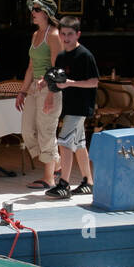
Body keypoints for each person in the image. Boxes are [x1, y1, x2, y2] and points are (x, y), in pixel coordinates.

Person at [43, 16, 99, 199]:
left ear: (78, 34)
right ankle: (88, 181)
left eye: (70, 34)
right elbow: (55, 79)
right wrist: (47, 90)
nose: (66, 38)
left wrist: (71, 83)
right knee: (79, 144)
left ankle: (64, 184)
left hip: (80, 106)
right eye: (63, 34)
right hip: (69, 106)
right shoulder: (61, 56)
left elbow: (94, 82)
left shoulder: (85, 55)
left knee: (64, 143)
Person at [15, 0, 63, 190]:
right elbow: (30, 67)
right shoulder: (36, 35)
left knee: (46, 132)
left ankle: (49, 177)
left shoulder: (54, 35)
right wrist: (22, 92)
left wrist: (51, 93)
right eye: (32, 9)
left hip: (49, 87)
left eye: (36, 9)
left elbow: (57, 68)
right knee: (27, 130)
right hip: (35, 86)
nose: (32, 13)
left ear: (46, 13)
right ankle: (56, 163)